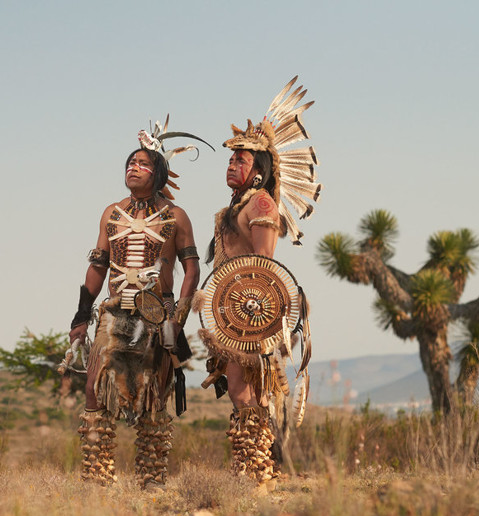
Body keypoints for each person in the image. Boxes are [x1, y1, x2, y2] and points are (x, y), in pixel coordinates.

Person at [68, 118, 211, 488]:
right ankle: (97, 477)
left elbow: (191, 269)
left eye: (142, 163)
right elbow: (97, 266)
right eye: (129, 163)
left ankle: (151, 478)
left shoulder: (176, 217)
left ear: (159, 173)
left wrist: (177, 317)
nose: (133, 167)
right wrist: (81, 316)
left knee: (154, 393)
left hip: (156, 313)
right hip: (114, 314)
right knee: (95, 389)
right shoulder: (111, 214)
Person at [196, 76, 320, 489]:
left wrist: (249, 314)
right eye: (230, 160)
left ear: (258, 172)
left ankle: (258, 468)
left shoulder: (262, 204)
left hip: (254, 309)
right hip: (234, 311)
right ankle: (256, 465)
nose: (231, 165)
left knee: (248, 390)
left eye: (240, 160)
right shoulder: (236, 208)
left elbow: (264, 265)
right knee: (240, 389)